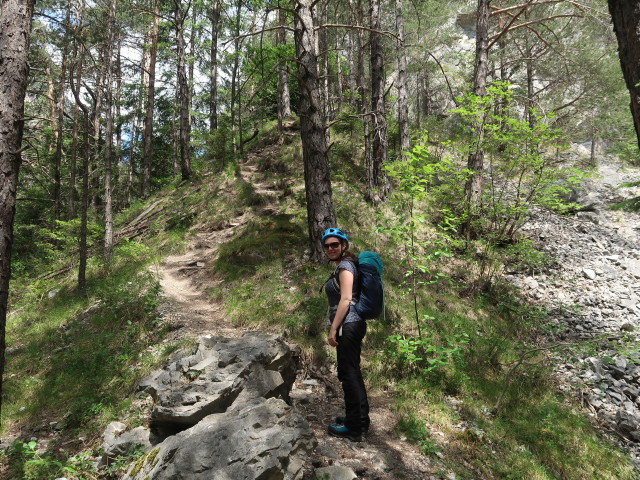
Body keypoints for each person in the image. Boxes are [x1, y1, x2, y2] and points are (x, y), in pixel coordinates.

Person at [322, 227, 370, 442]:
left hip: (348, 325)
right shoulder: (345, 265)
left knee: (348, 374)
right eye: (327, 245)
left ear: (343, 245)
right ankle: (358, 419)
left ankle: (354, 427)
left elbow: (346, 299)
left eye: (335, 244)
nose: (330, 248)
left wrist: (333, 329)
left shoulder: (345, 266)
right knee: (352, 372)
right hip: (352, 324)